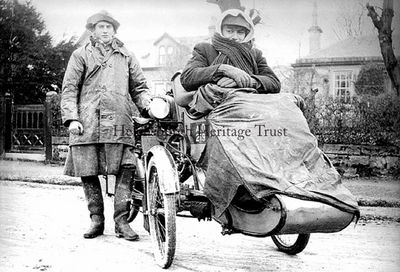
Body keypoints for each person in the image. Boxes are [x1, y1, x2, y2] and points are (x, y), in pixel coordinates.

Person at [61, 10, 152, 241]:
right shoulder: (80, 55)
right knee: (88, 171)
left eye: (109, 27)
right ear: (92, 30)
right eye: (100, 27)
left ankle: (122, 222)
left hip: (118, 121)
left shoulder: (126, 55)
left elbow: (139, 88)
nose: (104, 31)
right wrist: (72, 118)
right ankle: (96, 220)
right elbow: (70, 89)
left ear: (114, 31)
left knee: (127, 168)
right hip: (87, 122)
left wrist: (149, 106)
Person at [179, 8, 280, 111]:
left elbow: (274, 82)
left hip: (249, 109)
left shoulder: (255, 54)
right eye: (229, 31)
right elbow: (188, 77)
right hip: (213, 111)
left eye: (240, 32)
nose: (235, 37)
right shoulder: (205, 49)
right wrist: (223, 69)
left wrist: (246, 81)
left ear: (246, 34)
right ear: (221, 30)